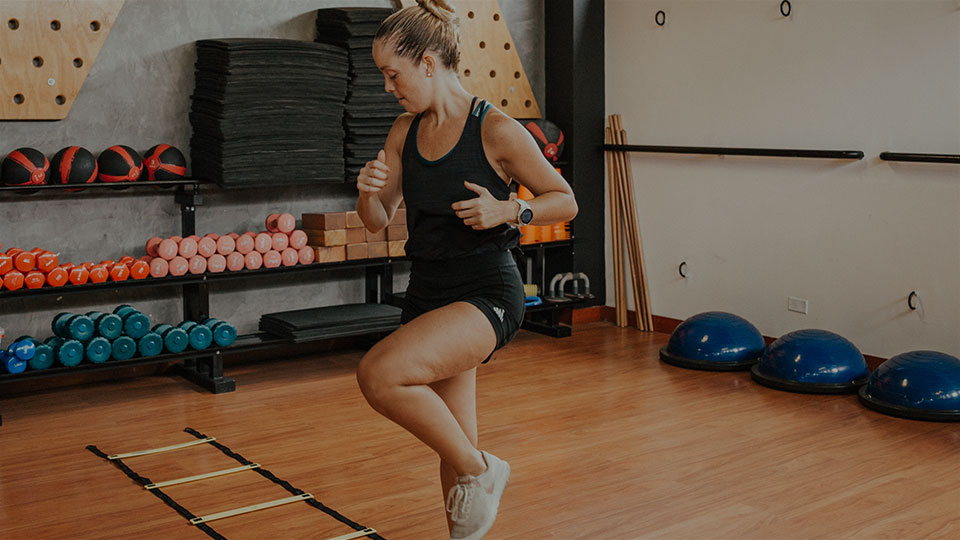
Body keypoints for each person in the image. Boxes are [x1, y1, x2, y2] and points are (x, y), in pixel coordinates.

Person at [354, 1, 578, 538]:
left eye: (393, 74)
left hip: (486, 291)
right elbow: (378, 220)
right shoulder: (404, 132)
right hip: (428, 289)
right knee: (452, 442)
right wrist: (365, 193)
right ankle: (467, 517)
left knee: (379, 375)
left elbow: (564, 200)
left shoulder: (497, 130)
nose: (388, 87)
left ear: (429, 63)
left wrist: (512, 210)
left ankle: (486, 469)